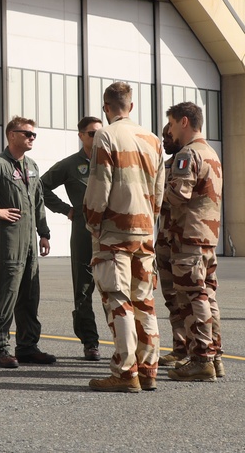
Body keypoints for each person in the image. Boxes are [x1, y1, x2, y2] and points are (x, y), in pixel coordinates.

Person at [83, 82, 164, 393]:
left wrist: (93, 223)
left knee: (118, 300)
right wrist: (148, 221)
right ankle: (148, 370)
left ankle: (125, 372)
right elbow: (159, 191)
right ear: (131, 106)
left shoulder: (105, 134)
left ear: (106, 107)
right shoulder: (152, 139)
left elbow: (99, 185)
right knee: (144, 301)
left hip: (115, 232)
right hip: (144, 230)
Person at [0, 116, 56, 369]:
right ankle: (2, 348)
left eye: (34, 134)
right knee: (7, 293)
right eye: (27, 133)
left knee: (29, 294)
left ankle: (27, 347)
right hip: (9, 240)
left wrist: (44, 233)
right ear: (11, 135)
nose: (32, 138)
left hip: (29, 242)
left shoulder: (32, 166)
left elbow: (38, 202)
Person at [164, 101, 224, 382]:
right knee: (207, 294)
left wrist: (153, 190)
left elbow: (178, 195)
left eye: (173, 124)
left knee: (193, 295)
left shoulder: (187, 154)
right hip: (207, 237)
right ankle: (215, 356)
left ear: (184, 122)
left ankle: (201, 360)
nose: (172, 130)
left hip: (189, 236)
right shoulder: (211, 152)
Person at [40, 116, 103, 361]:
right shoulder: (69, 165)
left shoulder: (114, 161)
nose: (96, 138)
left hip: (111, 232)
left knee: (116, 288)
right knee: (84, 290)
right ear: (81, 136)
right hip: (83, 233)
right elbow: (41, 186)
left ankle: (124, 344)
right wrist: (66, 209)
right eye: (91, 133)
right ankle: (90, 342)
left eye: (100, 133)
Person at [156, 123, 186, 367]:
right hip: (164, 239)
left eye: (168, 136)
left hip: (185, 240)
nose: (165, 141)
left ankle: (203, 351)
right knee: (171, 296)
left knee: (191, 297)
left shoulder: (190, 161)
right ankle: (180, 347)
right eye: (163, 137)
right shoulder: (166, 166)